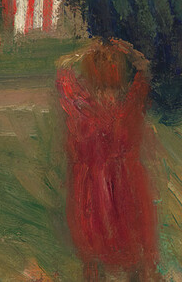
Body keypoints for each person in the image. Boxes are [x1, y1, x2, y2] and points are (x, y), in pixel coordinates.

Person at [57, 38, 158, 282]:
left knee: (97, 250)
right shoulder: (127, 106)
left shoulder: (82, 107)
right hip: (123, 185)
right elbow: (144, 69)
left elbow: (62, 70)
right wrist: (127, 48)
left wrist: (85, 51)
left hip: (96, 188)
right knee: (129, 249)